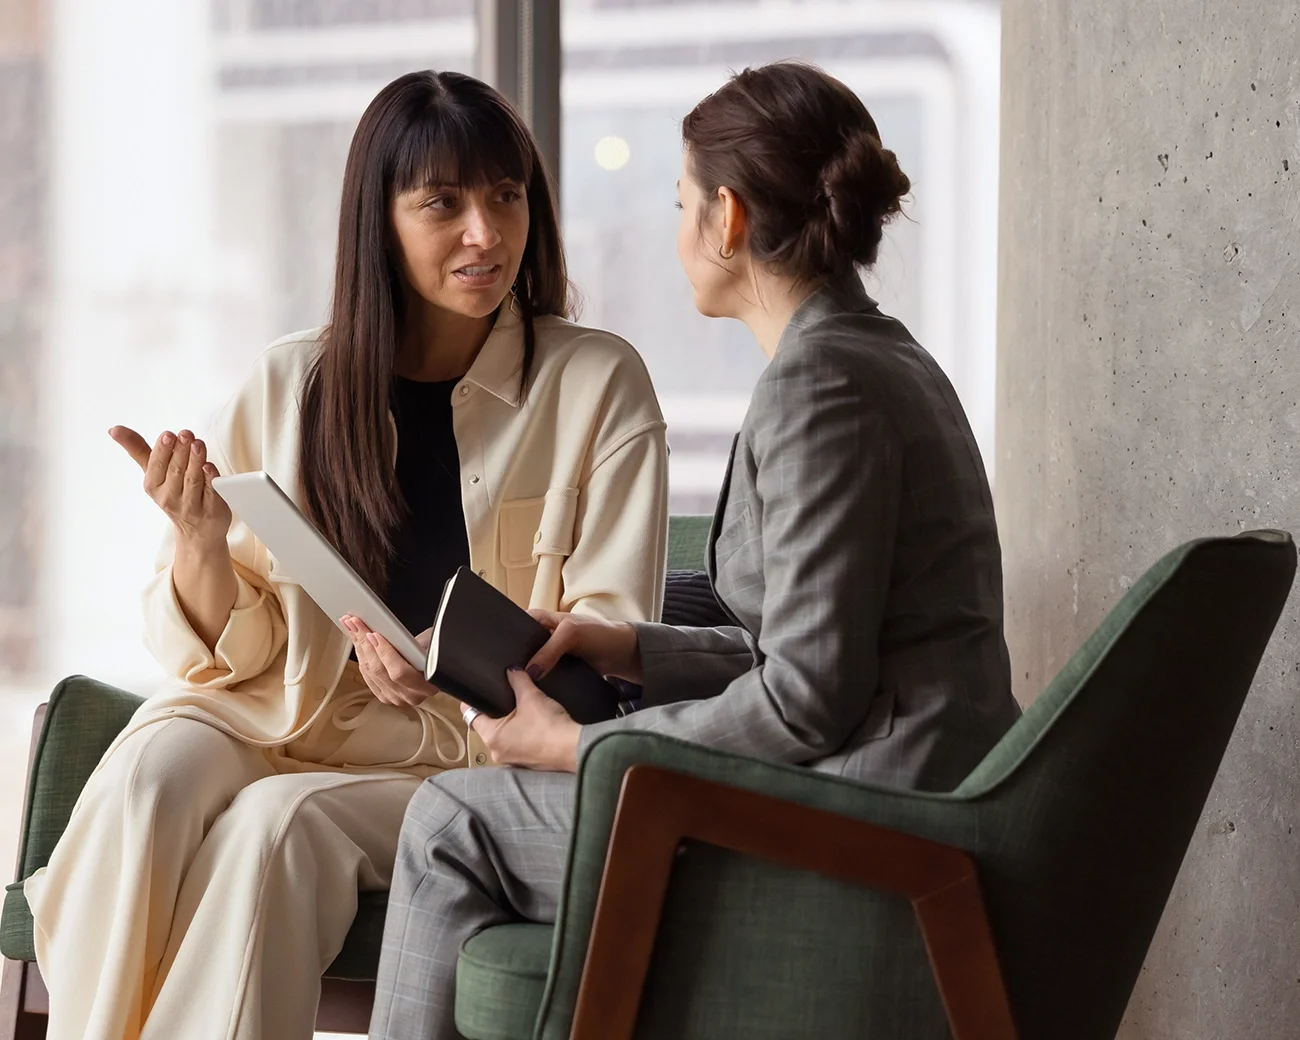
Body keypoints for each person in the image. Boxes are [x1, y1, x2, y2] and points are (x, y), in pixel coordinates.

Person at [369, 60, 1023, 1040]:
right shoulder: (874, 355)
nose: (676, 230)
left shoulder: (821, 390)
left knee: (450, 821)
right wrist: (622, 643)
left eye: (680, 203)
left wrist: (580, 748)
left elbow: (807, 699)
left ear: (726, 219)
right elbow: (825, 654)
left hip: (868, 826)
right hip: (898, 781)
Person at [23, 70, 668, 1040]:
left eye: (506, 196)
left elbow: (610, 632)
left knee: (271, 829)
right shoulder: (290, 379)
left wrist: (452, 665)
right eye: (443, 203)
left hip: (453, 747)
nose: (485, 233)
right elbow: (219, 651)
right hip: (273, 707)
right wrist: (199, 542)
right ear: (381, 216)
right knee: (146, 774)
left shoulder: (595, 381)